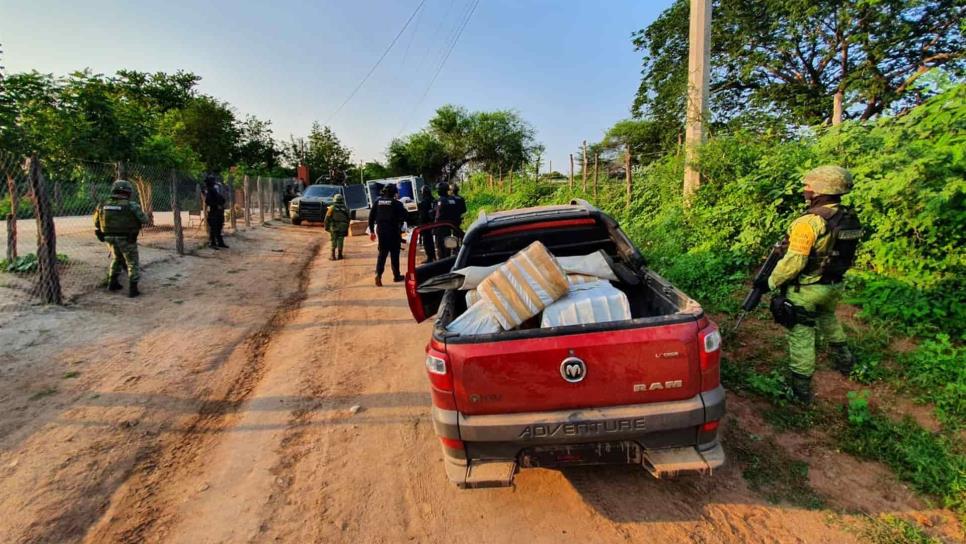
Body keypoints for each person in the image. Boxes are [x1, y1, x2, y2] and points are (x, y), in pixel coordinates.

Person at [767, 165, 862, 404]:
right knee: (828, 319)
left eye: (808, 185)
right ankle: (847, 362)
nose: (805, 189)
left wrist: (772, 281)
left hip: (807, 290)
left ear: (821, 189)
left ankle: (801, 391)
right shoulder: (848, 216)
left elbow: (794, 261)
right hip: (833, 285)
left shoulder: (809, 222)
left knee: (801, 334)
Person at [93, 179, 148, 297]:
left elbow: (96, 222)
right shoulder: (131, 205)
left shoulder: (102, 204)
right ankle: (133, 289)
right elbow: (144, 220)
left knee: (116, 259)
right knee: (132, 262)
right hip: (127, 238)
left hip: (109, 237)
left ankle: (112, 283)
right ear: (127, 192)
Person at [368, 184, 407, 286]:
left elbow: (371, 217)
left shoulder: (377, 202)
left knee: (382, 254)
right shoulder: (397, 203)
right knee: (394, 254)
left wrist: (372, 231)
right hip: (393, 231)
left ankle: (378, 274)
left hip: (381, 231)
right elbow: (404, 216)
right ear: (394, 192)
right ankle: (396, 276)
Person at [434, 182, 461, 259]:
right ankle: (448, 259)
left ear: (441, 191)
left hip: (440, 227)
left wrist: (434, 228)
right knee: (448, 244)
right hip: (449, 226)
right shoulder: (452, 199)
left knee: (440, 247)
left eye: (438, 190)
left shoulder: (441, 201)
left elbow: (438, 216)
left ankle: (442, 263)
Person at [204, 174, 228, 249]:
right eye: (212, 181)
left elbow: (221, 198)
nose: (214, 182)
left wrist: (220, 203)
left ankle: (219, 242)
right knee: (214, 228)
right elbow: (208, 201)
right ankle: (213, 243)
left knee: (218, 227)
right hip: (213, 210)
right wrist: (217, 204)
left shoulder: (215, 188)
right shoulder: (208, 190)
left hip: (218, 210)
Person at [324, 193, 350, 260]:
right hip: (343, 226)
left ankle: (332, 255)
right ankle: (340, 255)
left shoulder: (331, 208)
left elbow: (327, 218)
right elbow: (349, 218)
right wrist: (346, 226)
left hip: (334, 226)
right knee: (341, 239)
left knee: (334, 240)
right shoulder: (346, 208)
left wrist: (326, 227)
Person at [417, 185, 437, 263]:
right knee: (433, 241)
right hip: (435, 223)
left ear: (423, 193)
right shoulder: (434, 200)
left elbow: (422, 215)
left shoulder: (424, 202)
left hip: (426, 224)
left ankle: (430, 258)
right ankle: (434, 256)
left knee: (427, 241)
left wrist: (420, 226)